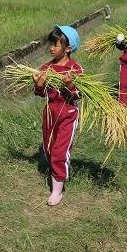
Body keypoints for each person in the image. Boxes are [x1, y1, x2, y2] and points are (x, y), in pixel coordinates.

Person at [33, 26, 83, 206]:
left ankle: (57, 191)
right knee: (48, 149)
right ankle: (55, 171)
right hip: (50, 113)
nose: (51, 48)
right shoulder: (47, 67)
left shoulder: (74, 69)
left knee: (59, 152)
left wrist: (69, 85)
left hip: (67, 114)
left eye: (55, 44)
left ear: (68, 48)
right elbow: (39, 93)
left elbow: (79, 95)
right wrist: (39, 84)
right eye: (50, 44)